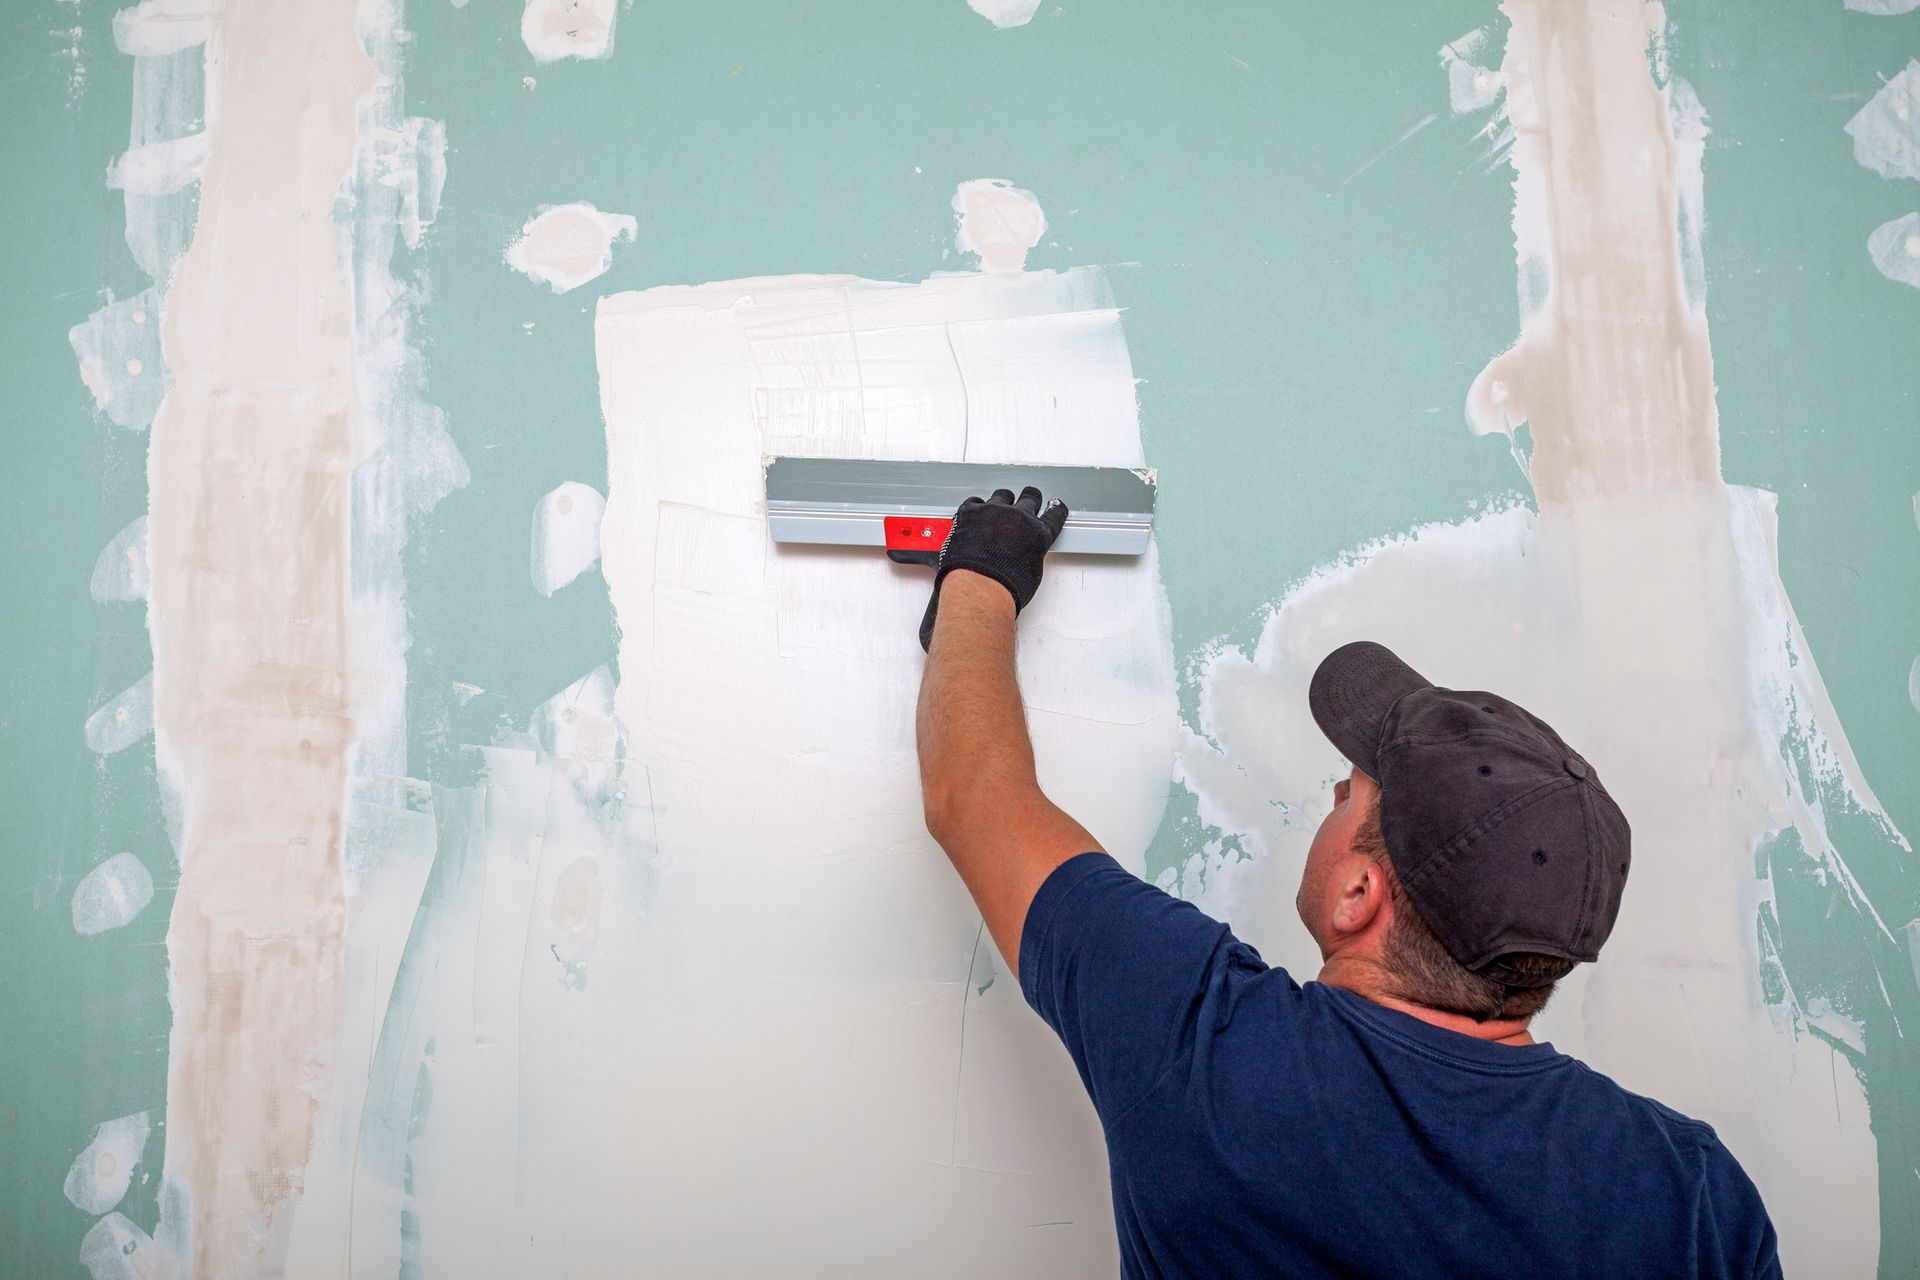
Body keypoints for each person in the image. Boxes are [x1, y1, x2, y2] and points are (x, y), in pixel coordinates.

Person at [906, 486, 1781, 1279]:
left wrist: (980, 575)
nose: (1332, 790)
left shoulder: (1207, 1054)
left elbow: (974, 797)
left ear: (1359, 895)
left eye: (1348, 791)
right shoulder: (1695, 1197)